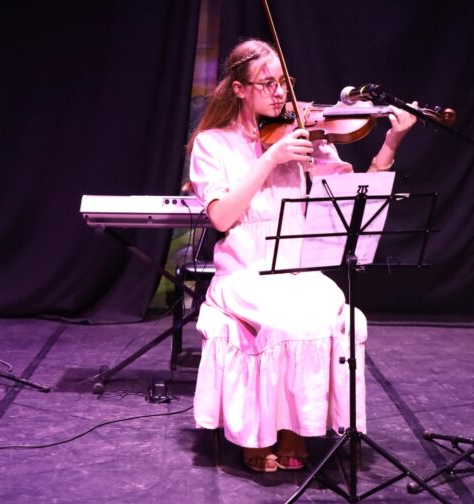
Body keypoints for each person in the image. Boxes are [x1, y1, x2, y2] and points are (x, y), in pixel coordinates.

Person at [188, 39, 416, 472]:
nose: (280, 93)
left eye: (284, 82)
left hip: (296, 272)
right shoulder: (213, 144)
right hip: (244, 274)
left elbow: (354, 197)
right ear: (239, 89)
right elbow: (221, 217)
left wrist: (391, 142)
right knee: (285, 319)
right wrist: (270, 159)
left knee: (331, 309)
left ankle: (295, 426)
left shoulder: (304, 137)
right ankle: (259, 432)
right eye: (267, 83)